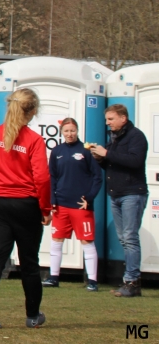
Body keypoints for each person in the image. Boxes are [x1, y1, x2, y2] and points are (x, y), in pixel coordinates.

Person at [0, 88, 51, 329]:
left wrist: (1, 183)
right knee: (29, 261)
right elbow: (42, 178)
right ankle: (32, 315)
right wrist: (45, 208)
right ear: (33, 111)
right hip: (26, 204)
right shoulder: (34, 139)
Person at [89, 103, 148, 298]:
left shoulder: (136, 136)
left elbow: (135, 161)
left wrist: (107, 153)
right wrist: (100, 159)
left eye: (111, 119)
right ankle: (130, 281)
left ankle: (132, 281)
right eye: (106, 120)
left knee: (130, 237)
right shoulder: (114, 138)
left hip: (132, 193)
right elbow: (113, 164)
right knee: (124, 238)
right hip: (116, 193)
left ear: (123, 118)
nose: (108, 123)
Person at [42, 118, 102, 291]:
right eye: (66, 131)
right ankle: (53, 277)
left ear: (77, 131)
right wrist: (52, 201)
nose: (70, 134)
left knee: (87, 241)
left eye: (72, 130)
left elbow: (97, 177)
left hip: (81, 205)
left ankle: (92, 281)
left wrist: (89, 198)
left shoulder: (86, 151)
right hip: (61, 204)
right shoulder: (56, 151)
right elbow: (52, 177)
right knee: (56, 240)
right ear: (62, 132)